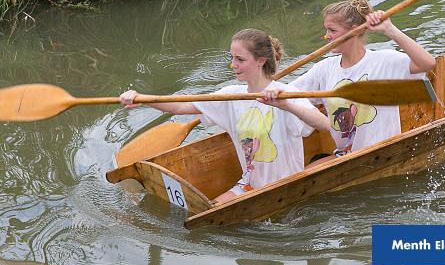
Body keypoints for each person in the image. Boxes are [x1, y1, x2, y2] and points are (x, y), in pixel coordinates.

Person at [119, 28, 329, 204]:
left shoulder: (287, 94)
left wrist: (287, 105)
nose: (233, 65)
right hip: (249, 186)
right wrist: (141, 98)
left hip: (287, 187)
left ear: (261, 61)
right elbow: (181, 107)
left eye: (240, 59)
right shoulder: (231, 96)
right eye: (232, 58)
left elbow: (326, 125)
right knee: (208, 211)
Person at [288, 0, 436, 164]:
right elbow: (290, 93)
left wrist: (390, 30)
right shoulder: (324, 68)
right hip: (346, 157)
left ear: (355, 30)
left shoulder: (384, 61)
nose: (326, 36)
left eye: (332, 30)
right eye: (326, 30)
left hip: (385, 154)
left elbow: (428, 63)